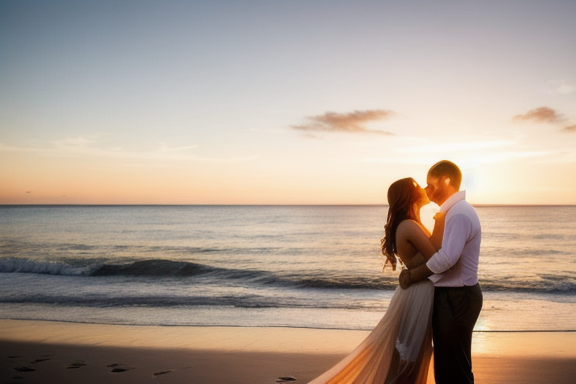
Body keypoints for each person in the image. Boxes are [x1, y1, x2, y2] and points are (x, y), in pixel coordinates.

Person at [308, 177, 445, 384]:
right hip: (417, 295)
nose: (425, 189)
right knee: (410, 360)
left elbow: (428, 255)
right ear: (408, 195)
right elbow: (435, 255)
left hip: (416, 291)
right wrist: (441, 221)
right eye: (418, 186)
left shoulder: (411, 223)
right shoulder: (408, 225)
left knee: (411, 357)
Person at [400, 160, 482, 384]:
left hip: (458, 297)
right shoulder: (450, 213)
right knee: (448, 366)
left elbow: (447, 259)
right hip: (453, 296)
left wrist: (413, 275)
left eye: (430, 184)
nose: (426, 190)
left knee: (454, 369)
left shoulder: (459, 214)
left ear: (446, 181)